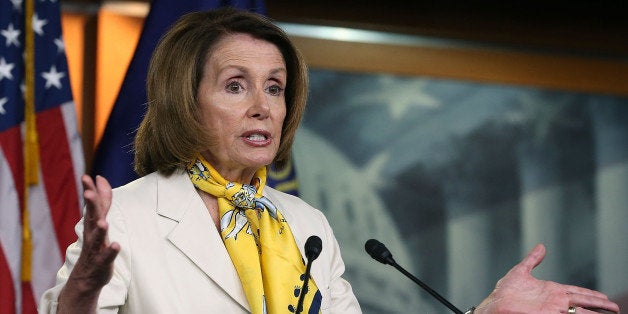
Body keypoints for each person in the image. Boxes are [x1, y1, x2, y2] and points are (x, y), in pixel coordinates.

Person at [40, 7, 620, 314]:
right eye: (237, 86)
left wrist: (484, 313)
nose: (264, 106)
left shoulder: (305, 225)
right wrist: (84, 291)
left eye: (275, 87)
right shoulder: (128, 218)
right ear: (184, 100)